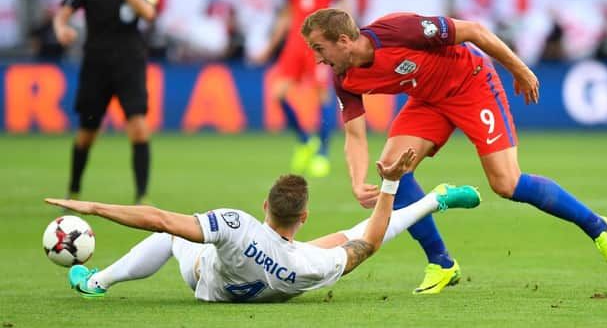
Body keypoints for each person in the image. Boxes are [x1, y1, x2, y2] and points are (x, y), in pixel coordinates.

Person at [300, 8, 607, 294]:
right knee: (392, 169)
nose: (318, 58)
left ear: (343, 41)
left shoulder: (398, 31)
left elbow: (473, 30)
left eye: (319, 48)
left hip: (471, 84)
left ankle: (598, 227)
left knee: (506, 184)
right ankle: (441, 262)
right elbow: (355, 136)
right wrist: (358, 182)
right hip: (429, 101)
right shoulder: (344, 77)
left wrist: (518, 68)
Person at [44, 148, 482, 302]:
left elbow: (158, 217)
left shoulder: (237, 225)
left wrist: (94, 207)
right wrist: (390, 185)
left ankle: (96, 282)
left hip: (206, 284)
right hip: (283, 275)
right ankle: (435, 199)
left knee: (168, 234)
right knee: (351, 237)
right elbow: (368, 241)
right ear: (303, 217)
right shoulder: (309, 266)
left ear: (263, 206)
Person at [53, 0, 158, 204]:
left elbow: (149, 13)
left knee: (139, 126)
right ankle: (74, 190)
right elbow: (62, 14)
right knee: (87, 133)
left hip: (130, 65)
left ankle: (142, 196)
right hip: (96, 67)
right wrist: (61, 29)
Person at [251, 0, 345, 178]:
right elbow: (287, 14)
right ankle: (305, 141)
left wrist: (345, 38)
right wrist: (269, 49)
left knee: (322, 94)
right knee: (278, 94)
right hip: (295, 43)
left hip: (319, 43)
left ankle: (322, 153)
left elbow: (343, 5)